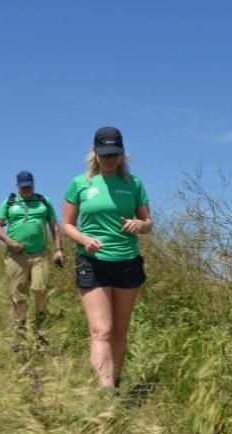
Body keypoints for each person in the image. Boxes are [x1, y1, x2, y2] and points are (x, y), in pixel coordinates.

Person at [61, 126, 152, 393]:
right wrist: (84, 239)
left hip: (127, 261)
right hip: (93, 261)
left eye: (114, 154)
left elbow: (148, 222)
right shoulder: (80, 183)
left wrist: (140, 224)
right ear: (94, 154)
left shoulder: (133, 184)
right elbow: (67, 224)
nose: (110, 160)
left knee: (120, 329)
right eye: (104, 155)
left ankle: (116, 379)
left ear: (123, 154)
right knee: (101, 330)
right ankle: (106, 393)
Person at [0, 171, 63, 350]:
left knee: (40, 289)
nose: (26, 189)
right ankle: (21, 332)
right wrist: (8, 241)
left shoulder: (43, 202)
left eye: (29, 186)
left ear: (34, 184)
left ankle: (40, 329)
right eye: (23, 187)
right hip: (16, 257)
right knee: (19, 296)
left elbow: (54, 227)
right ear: (18, 186)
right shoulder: (9, 202)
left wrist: (58, 250)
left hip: (40, 254)